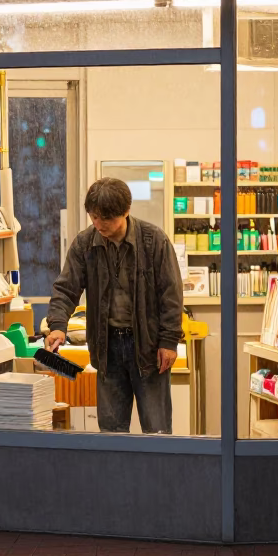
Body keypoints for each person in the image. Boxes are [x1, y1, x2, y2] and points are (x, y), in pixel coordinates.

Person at [46, 178, 184, 433]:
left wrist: (169, 342)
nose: (98, 225)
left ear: (126, 211)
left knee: (157, 432)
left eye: (106, 219)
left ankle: (158, 474)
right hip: (107, 349)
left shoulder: (154, 241)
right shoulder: (85, 244)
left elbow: (171, 295)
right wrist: (57, 325)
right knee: (110, 433)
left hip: (149, 349)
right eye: (94, 217)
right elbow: (66, 288)